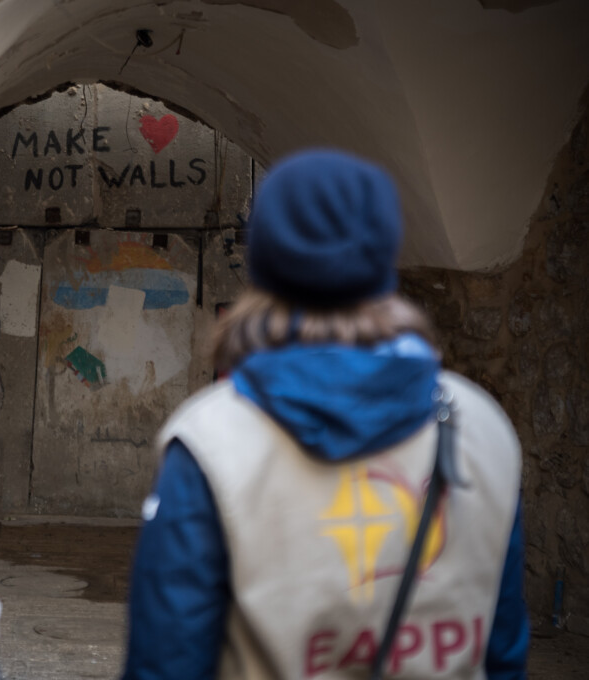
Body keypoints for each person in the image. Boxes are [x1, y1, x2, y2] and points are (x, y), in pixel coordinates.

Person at [123, 150, 528, 679]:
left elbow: (166, 661)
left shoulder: (214, 440)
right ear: (384, 253)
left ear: (263, 261)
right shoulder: (483, 428)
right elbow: (503, 654)